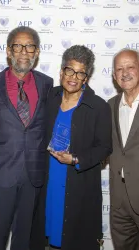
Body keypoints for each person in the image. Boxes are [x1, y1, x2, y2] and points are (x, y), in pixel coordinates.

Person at [0, 26, 53, 250]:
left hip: (33, 174)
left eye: (29, 46)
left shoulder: (47, 84)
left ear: (37, 52)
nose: (23, 51)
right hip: (1, 173)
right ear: (8, 51)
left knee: (25, 238)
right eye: (18, 46)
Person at [44, 45, 112, 250]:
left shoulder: (98, 106)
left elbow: (105, 147)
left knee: (74, 239)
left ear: (86, 77)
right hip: (49, 181)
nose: (73, 76)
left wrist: (76, 159)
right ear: (61, 71)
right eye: (69, 70)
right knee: (48, 234)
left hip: (78, 183)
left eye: (80, 72)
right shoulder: (50, 97)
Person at [109, 49, 139, 250]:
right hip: (119, 202)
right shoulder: (109, 106)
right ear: (113, 76)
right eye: (119, 69)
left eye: (130, 67)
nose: (125, 72)